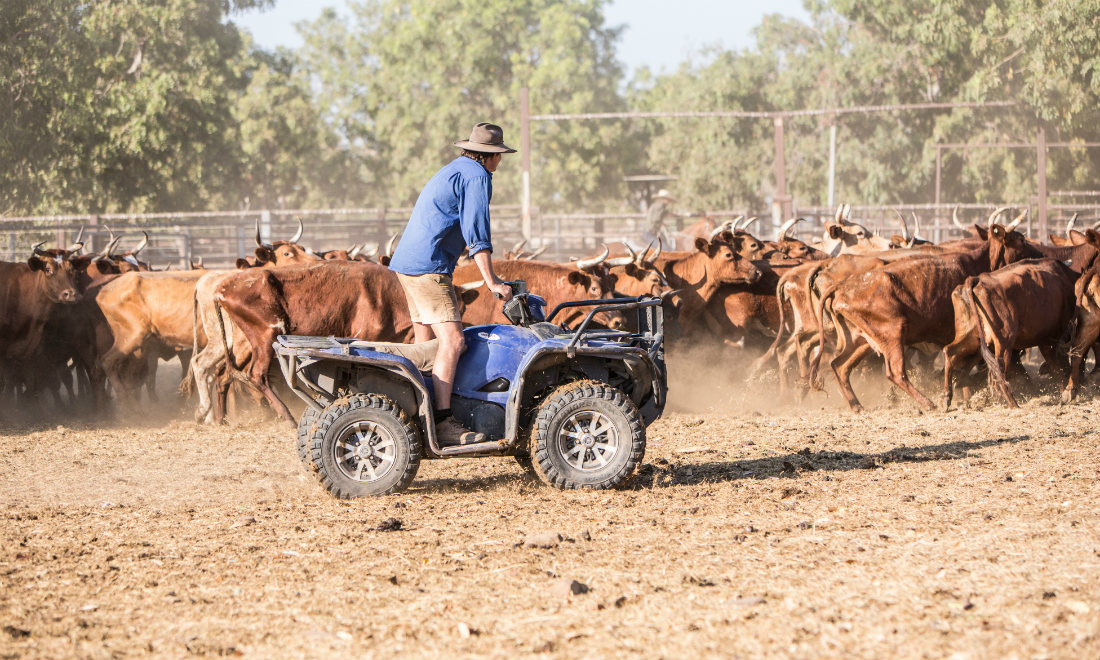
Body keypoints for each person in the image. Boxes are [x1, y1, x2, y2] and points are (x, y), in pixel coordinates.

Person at [388, 122, 515, 445]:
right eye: (499, 155)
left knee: (426, 345)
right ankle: (444, 422)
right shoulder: (477, 176)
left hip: (408, 264)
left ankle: (419, 416)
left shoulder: (453, 169)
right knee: (454, 342)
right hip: (430, 267)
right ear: (490, 156)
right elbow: (477, 233)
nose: (500, 161)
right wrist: (493, 282)